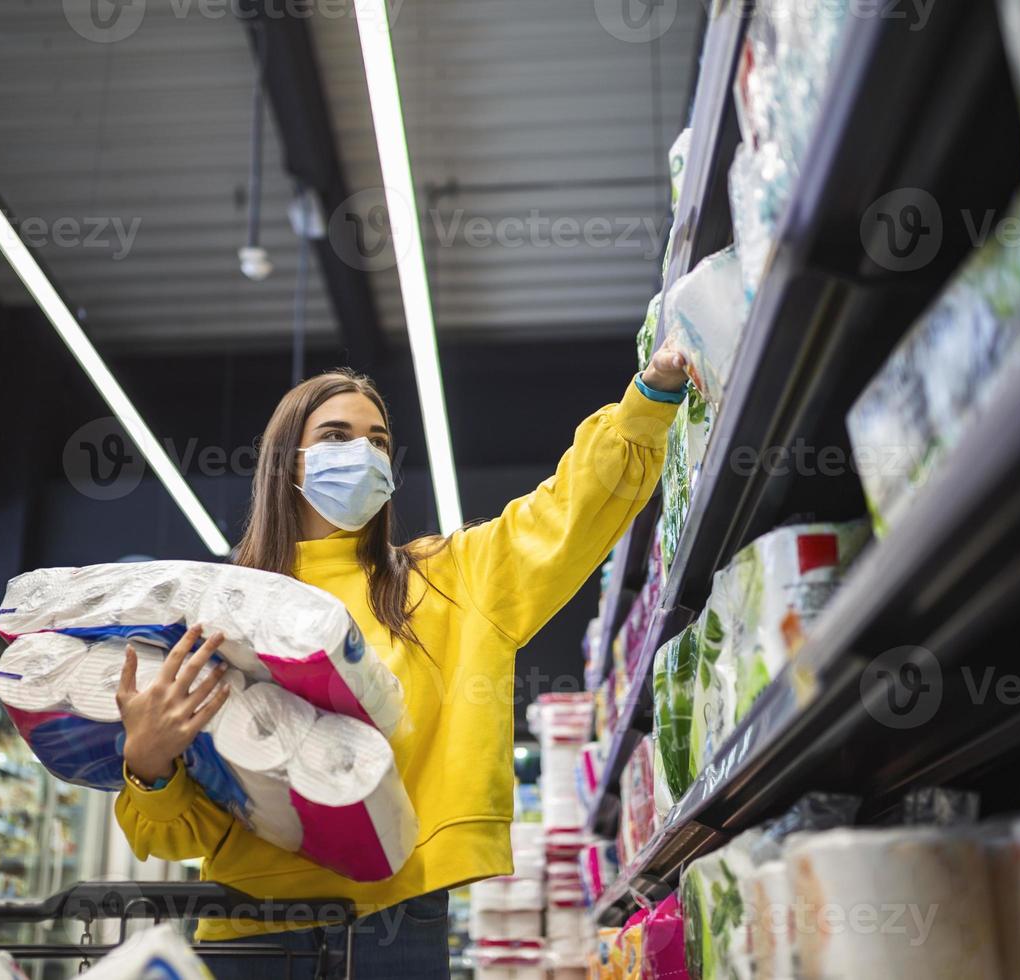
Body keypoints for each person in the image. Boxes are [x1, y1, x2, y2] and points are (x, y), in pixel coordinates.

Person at [113, 349, 688, 978]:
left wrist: (648, 400)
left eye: (378, 440)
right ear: (288, 462)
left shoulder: (448, 579)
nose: (362, 452)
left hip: (397, 925)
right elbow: (174, 836)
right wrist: (148, 763)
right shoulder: (218, 610)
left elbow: (566, 512)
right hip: (249, 927)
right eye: (336, 435)